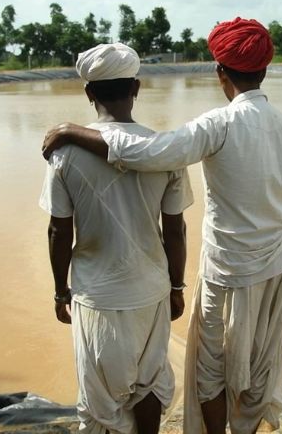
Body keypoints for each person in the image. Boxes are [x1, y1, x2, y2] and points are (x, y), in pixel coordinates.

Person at [41, 18, 282, 434]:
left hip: (225, 270)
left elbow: (151, 153)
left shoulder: (217, 125)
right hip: (275, 266)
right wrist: (176, 285)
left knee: (210, 369)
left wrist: (69, 130)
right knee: (258, 366)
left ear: (220, 72)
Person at [39, 42, 194, 434]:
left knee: (99, 396)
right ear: (136, 88)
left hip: (96, 294)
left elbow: (59, 229)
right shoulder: (163, 152)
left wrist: (61, 292)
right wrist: (177, 285)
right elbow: (175, 229)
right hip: (151, 287)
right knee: (150, 380)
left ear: (89, 93)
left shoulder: (65, 153)